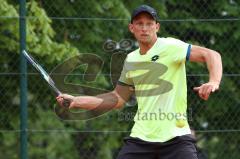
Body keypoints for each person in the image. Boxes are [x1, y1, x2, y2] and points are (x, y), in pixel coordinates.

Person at [56, 5, 222, 159]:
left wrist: (213, 81)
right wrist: (77, 101)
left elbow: (211, 55)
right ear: (132, 28)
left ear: (157, 27)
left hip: (176, 138)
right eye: (140, 23)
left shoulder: (170, 46)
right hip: (141, 139)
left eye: (149, 23)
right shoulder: (131, 59)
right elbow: (117, 99)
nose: (144, 28)